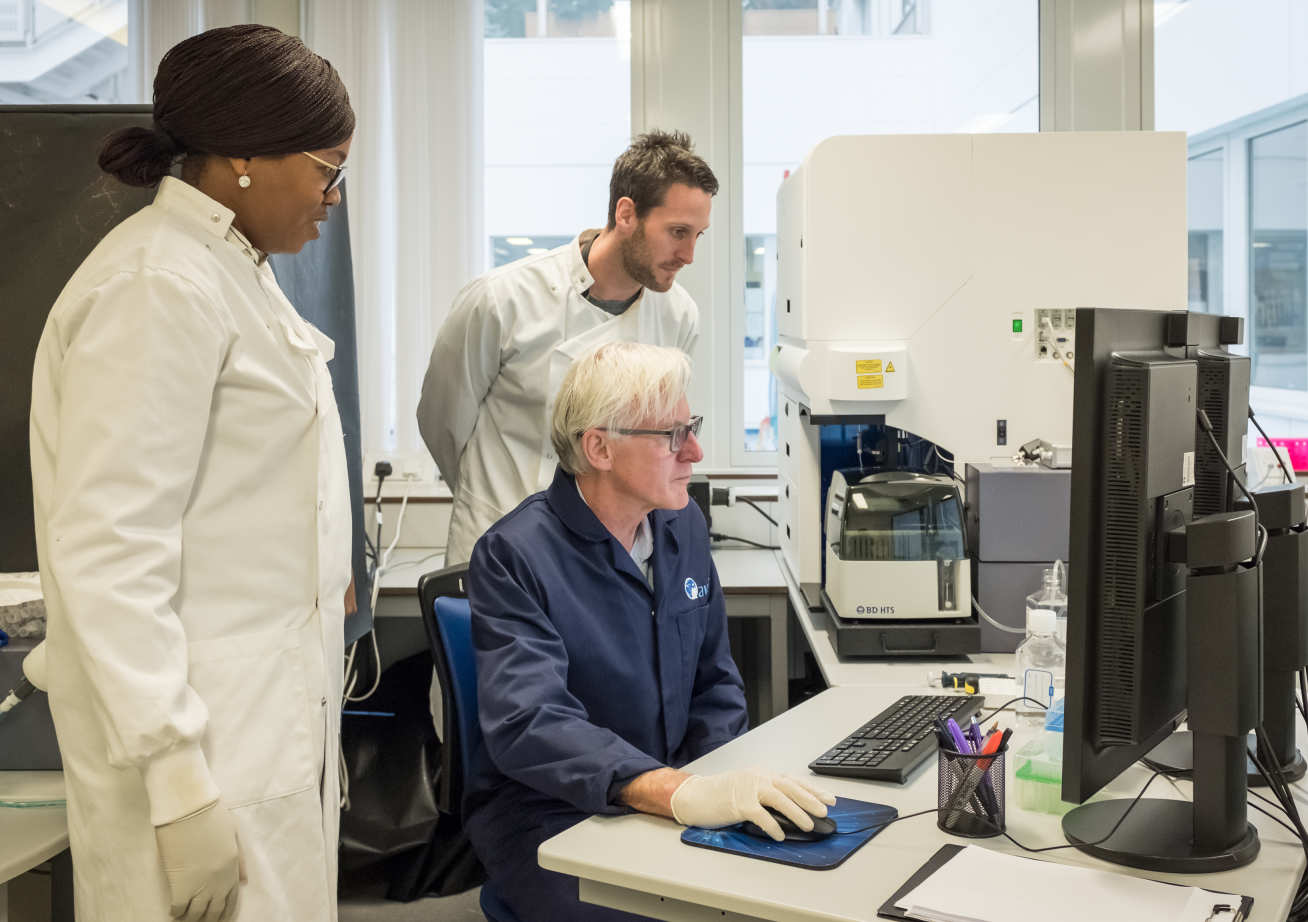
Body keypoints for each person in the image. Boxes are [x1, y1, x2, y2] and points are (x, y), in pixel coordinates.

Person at [28, 24, 355, 922]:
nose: (333, 197)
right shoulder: (156, 285)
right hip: (195, 764)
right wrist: (179, 785)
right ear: (245, 155)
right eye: (327, 169)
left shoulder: (228, 267)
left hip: (257, 733)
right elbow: (109, 552)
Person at [463, 343, 834, 920]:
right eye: (672, 435)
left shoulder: (681, 524)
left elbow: (716, 684)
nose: (695, 451)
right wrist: (674, 793)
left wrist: (709, 785)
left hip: (675, 791)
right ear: (599, 447)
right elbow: (532, 724)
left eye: (694, 428)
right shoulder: (515, 554)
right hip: (552, 812)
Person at [417, 129, 717, 567]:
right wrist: (485, 496)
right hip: (498, 545)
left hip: (610, 554)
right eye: (677, 232)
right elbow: (442, 422)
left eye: (698, 235)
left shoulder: (677, 315)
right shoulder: (503, 299)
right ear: (627, 213)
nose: (688, 254)